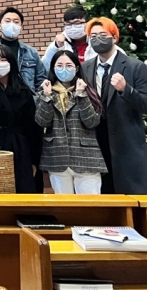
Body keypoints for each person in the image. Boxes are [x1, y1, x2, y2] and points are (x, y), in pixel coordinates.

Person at [78, 17, 147, 194]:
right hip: (96, 141)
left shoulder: (135, 67)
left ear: (114, 37)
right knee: (101, 195)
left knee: (129, 194)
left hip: (125, 140)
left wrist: (126, 89)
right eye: (93, 36)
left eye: (102, 35)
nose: (97, 39)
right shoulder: (85, 68)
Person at [36, 52, 106, 194]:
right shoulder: (46, 92)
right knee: (64, 204)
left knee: (90, 203)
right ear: (53, 68)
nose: (64, 69)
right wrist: (47, 96)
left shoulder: (88, 90)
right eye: (59, 65)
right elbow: (42, 121)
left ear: (77, 68)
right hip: (57, 157)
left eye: (69, 65)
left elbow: (92, 122)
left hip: (86, 157)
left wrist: (81, 95)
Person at [0, 45, 40, 193]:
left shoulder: (22, 90)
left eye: (3, 59)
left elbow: (31, 127)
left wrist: (34, 160)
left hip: (18, 147)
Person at [0, 7, 46, 91]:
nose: (12, 24)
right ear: (0, 26)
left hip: (25, 97)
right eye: (7, 21)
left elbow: (41, 80)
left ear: (21, 28)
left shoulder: (31, 52)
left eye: (16, 22)